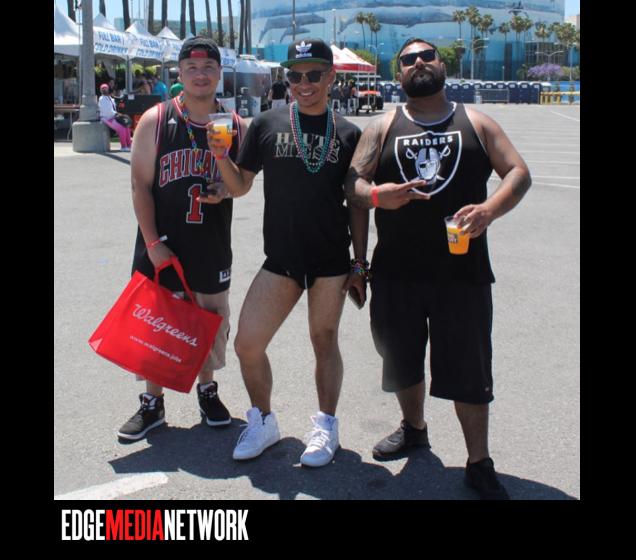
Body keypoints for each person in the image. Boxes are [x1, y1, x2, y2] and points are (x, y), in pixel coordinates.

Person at [344, 38, 532, 499]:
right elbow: (353, 185)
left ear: (442, 65)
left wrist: (489, 210)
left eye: (426, 56)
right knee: (401, 360)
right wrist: (375, 202)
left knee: (469, 369)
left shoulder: (476, 122)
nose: (419, 63)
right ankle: (414, 429)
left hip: (462, 276)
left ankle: (479, 461)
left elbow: (518, 173)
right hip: (395, 274)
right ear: (398, 74)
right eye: (408, 60)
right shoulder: (383, 126)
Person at [208, 38, 365, 467]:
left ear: (331, 76)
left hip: (331, 259)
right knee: (247, 343)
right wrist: (220, 156)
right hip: (281, 258)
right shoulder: (266, 123)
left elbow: (358, 205)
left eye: (314, 74)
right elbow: (240, 186)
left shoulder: (350, 133)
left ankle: (326, 426)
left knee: (324, 340)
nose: (304, 83)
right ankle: (263, 421)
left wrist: (359, 263)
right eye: (295, 76)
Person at [117, 36, 248, 441]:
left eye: (208, 67)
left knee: (209, 322)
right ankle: (152, 403)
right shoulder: (156, 120)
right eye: (192, 68)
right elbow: (139, 185)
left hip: (211, 242)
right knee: (157, 323)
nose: (200, 74)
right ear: (180, 73)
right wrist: (152, 243)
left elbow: (242, 186)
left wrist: (224, 188)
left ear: (219, 73)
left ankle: (207, 391)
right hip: (163, 243)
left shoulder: (235, 124)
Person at [97, 83, 132, 152]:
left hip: (113, 117)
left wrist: (118, 114)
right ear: (100, 90)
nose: (104, 90)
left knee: (126, 127)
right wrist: (117, 114)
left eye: (105, 88)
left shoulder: (109, 98)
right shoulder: (102, 99)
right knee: (121, 128)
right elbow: (107, 111)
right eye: (102, 88)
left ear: (108, 89)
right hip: (107, 118)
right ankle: (124, 146)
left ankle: (129, 145)